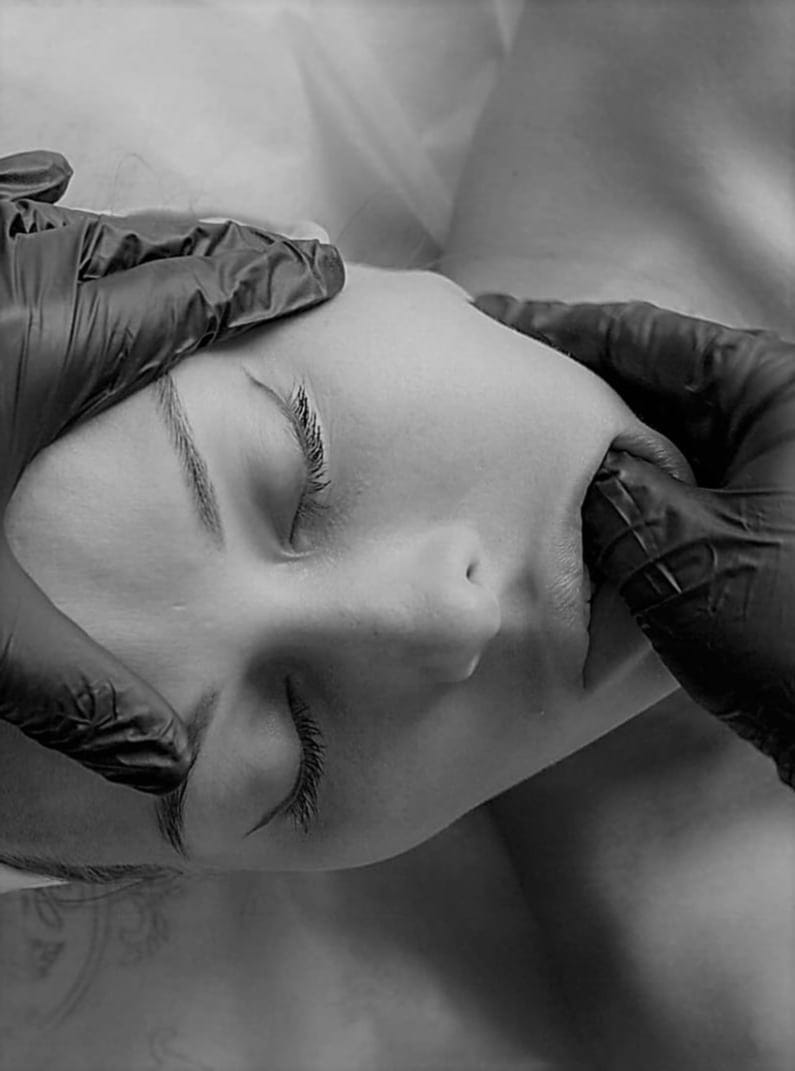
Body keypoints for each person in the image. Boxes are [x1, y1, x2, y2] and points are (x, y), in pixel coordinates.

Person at [2, 3, 793, 1069]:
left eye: (303, 470)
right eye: (290, 756)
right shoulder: (723, 975)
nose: (446, 616)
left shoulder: (688, 45)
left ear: (294, 254)